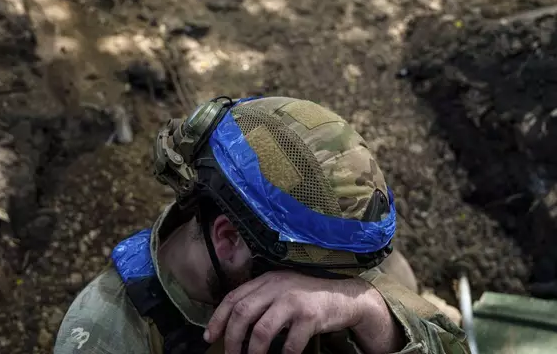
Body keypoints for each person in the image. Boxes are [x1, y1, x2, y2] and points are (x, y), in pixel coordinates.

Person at [53, 96, 469, 354]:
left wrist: (359, 306)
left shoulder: (320, 259)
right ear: (229, 238)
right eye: (311, 276)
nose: (317, 289)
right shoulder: (106, 335)